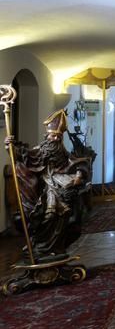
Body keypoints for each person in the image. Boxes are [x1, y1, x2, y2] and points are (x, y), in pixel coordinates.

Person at [6, 110, 94, 258]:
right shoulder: (39, 151)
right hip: (44, 188)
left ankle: (56, 246)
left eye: (59, 136)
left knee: (65, 216)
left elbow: (79, 162)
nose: (56, 139)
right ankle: (41, 246)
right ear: (46, 136)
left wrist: (79, 174)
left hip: (62, 188)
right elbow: (22, 156)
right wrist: (9, 146)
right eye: (53, 136)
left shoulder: (62, 153)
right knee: (49, 215)